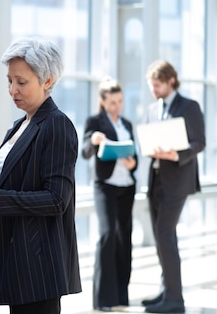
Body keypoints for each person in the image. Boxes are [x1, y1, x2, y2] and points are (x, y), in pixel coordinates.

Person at [0, 37, 81, 314]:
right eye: (9, 81)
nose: (12, 90)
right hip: (18, 259)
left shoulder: (57, 125)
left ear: (47, 81)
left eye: (22, 82)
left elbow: (57, 199)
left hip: (38, 264)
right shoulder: (21, 125)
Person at [140, 60, 205, 314]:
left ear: (170, 81)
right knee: (161, 236)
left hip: (177, 180)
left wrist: (175, 154)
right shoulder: (151, 109)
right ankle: (167, 290)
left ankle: (175, 299)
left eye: (157, 85)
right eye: (151, 86)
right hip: (155, 180)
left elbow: (199, 142)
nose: (153, 90)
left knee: (164, 232)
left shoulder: (189, 107)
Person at [81, 77, 137, 311]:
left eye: (120, 101)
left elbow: (136, 159)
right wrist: (93, 141)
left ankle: (121, 296)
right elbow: (84, 152)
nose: (117, 106)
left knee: (124, 238)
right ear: (102, 102)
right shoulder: (95, 122)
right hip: (105, 185)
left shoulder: (127, 124)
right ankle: (103, 300)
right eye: (112, 102)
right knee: (107, 234)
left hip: (127, 186)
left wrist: (132, 163)